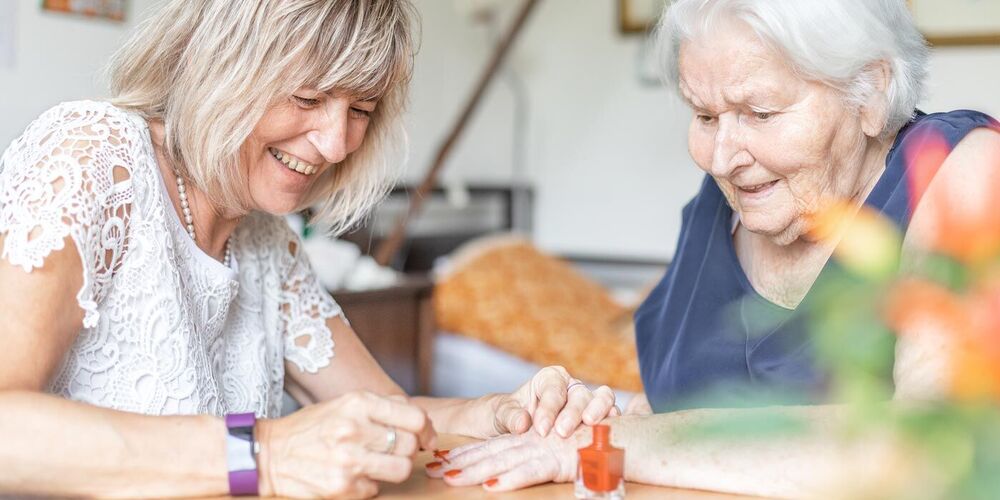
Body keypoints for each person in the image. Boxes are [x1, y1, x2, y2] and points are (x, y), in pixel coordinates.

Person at [0, 1, 617, 498]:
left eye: (361, 110)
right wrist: (265, 455)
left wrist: (500, 412)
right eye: (307, 98)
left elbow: (389, 411)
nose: (334, 143)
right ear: (223, 65)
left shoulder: (267, 238)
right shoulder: (93, 158)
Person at [427, 0, 1000, 496]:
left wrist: (614, 442)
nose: (722, 157)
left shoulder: (960, 170)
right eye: (703, 115)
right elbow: (667, 408)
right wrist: (586, 417)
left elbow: (934, 452)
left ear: (870, 92)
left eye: (760, 113)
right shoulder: (724, 200)